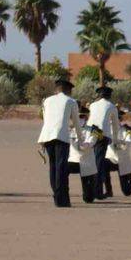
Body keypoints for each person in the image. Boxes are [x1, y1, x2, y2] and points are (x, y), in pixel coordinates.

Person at [36, 76, 80, 208]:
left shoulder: (47, 100)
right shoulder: (71, 101)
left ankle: (57, 195)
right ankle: (62, 199)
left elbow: (46, 119)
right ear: (67, 89)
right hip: (61, 136)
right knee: (61, 167)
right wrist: (81, 139)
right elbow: (77, 123)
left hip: (47, 135)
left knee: (53, 166)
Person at [86, 85, 121, 199]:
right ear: (109, 96)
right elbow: (115, 126)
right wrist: (115, 141)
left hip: (90, 134)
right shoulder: (111, 106)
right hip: (102, 135)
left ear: (99, 95)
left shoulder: (92, 105)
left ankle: (89, 190)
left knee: (91, 162)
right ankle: (98, 192)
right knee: (99, 164)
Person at [108, 116, 131, 197]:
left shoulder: (128, 129)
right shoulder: (105, 130)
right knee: (102, 171)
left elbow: (128, 142)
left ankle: (130, 181)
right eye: (112, 119)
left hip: (123, 159)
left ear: (120, 120)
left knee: (127, 192)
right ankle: (108, 191)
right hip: (109, 158)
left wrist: (118, 145)